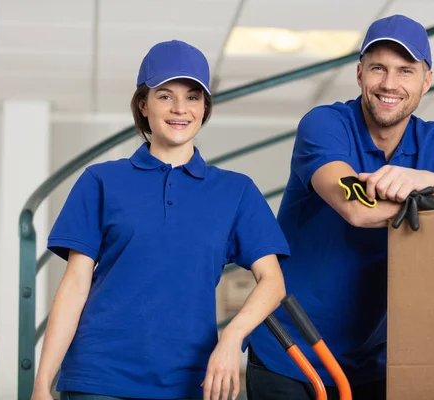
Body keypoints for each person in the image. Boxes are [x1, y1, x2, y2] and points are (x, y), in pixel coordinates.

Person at [246, 14, 434, 400]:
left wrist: (421, 180)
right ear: (359, 74)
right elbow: (356, 208)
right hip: (292, 353)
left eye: (405, 71)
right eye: (378, 68)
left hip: (374, 361)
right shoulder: (325, 124)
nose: (390, 84)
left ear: (426, 80)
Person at [31, 40, 290, 400]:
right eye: (165, 96)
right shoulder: (101, 181)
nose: (180, 109)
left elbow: (273, 282)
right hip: (100, 376)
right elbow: (75, 285)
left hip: (188, 380)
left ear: (205, 107)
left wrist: (232, 337)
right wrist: (42, 383)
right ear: (144, 104)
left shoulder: (236, 192)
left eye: (193, 97)